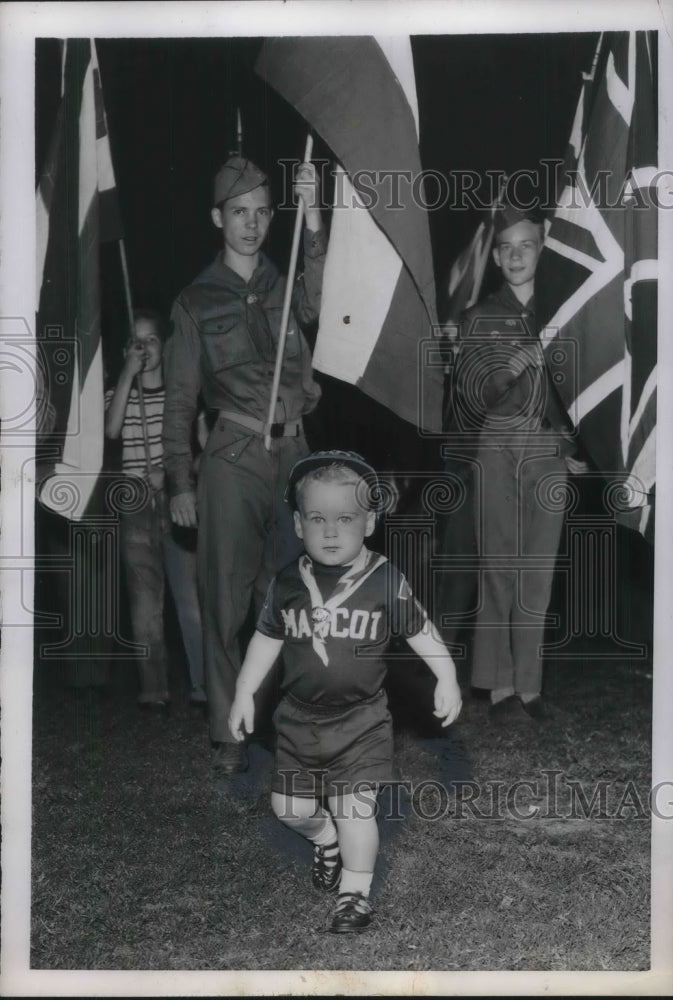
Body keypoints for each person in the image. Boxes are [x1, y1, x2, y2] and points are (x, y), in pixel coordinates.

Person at [229, 451, 463, 933]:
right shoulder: (288, 582)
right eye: (317, 518)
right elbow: (266, 639)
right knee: (288, 809)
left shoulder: (383, 579)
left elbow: (420, 629)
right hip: (297, 721)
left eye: (346, 518)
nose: (331, 531)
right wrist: (244, 691)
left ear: (369, 521)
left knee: (354, 808)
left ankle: (353, 895)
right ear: (297, 523)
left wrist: (446, 675)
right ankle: (325, 841)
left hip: (361, 721)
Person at [163, 155, 326, 777]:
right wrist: (180, 480)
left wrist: (313, 217)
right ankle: (230, 734)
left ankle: (284, 726)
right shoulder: (195, 300)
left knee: (292, 597)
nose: (252, 225)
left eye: (262, 212)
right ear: (217, 218)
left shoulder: (287, 288)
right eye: (239, 213)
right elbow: (180, 400)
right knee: (226, 600)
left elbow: (319, 307)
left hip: (293, 456)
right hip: (231, 457)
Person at [454, 204, 587, 723]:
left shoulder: (565, 310)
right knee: (498, 567)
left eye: (525, 245)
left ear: (542, 248)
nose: (514, 255)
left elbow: (580, 389)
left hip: (548, 449)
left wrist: (576, 450)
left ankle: (530, 688)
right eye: (505, 247)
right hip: (498, 443)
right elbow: (472, 395)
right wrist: (513, 364)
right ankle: (499, 686)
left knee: (538, 571)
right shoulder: (480, 317)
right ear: (496, 256)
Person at [105, 308, 206, 711]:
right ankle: (154, 688)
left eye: (150, 339)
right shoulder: (117, 393)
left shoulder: (180, 399)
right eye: (135, 340)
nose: (143, 347)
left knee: (190, 599)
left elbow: (203, 452)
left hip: (176, 502)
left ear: (165, 347)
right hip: (133, 504)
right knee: (144, 602)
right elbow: (111, 431)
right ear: (125, 349)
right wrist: (127, 374)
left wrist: (171, 473)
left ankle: (202, 683)